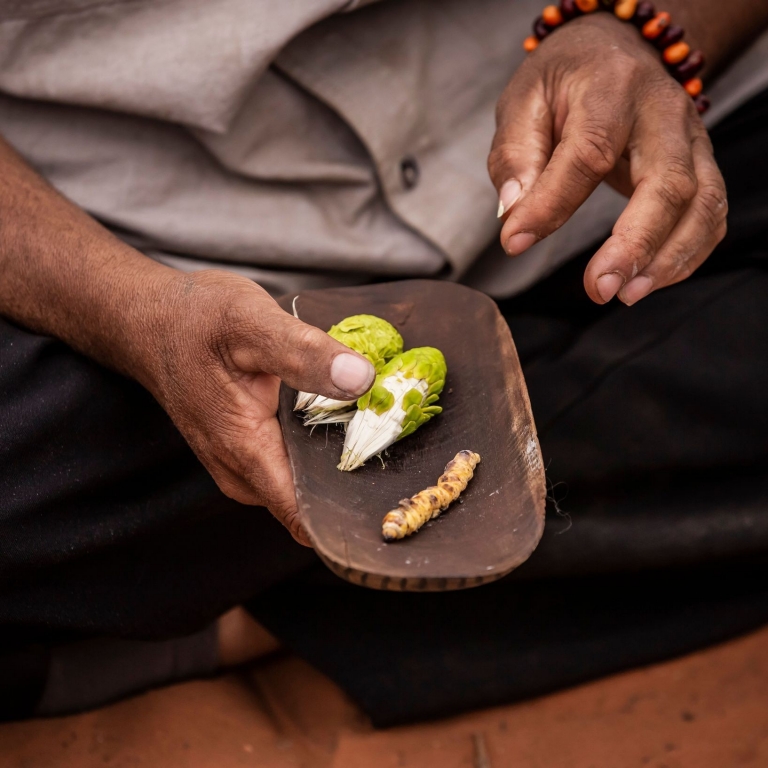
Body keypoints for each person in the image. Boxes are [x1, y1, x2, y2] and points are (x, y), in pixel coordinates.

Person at [1, 0, 768, 724]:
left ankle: (217, 601)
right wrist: (136, 314)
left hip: (582, 169)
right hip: (140, 241)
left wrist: (646, 29)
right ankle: (364, 591)